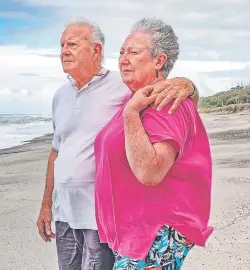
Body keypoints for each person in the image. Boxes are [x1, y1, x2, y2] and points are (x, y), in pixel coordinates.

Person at [36, 18, 199, 270]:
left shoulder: (121, 85)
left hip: (100, 217)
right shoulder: (61, 96)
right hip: (64, 213)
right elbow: (57, 151)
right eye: (61, 45)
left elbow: (166, 94)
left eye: (73, 44)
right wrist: (46, 205)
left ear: (97, 50)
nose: (64, 51)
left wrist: (188, 84)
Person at [94, 17, 213, 270]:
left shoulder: (165, 102)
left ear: (159, 61)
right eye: (122, 52)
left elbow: (150, 171)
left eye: (134, 52)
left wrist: (130, 114)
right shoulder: (136, 97)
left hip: (151, 237)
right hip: (132, 235)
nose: (123, 59)